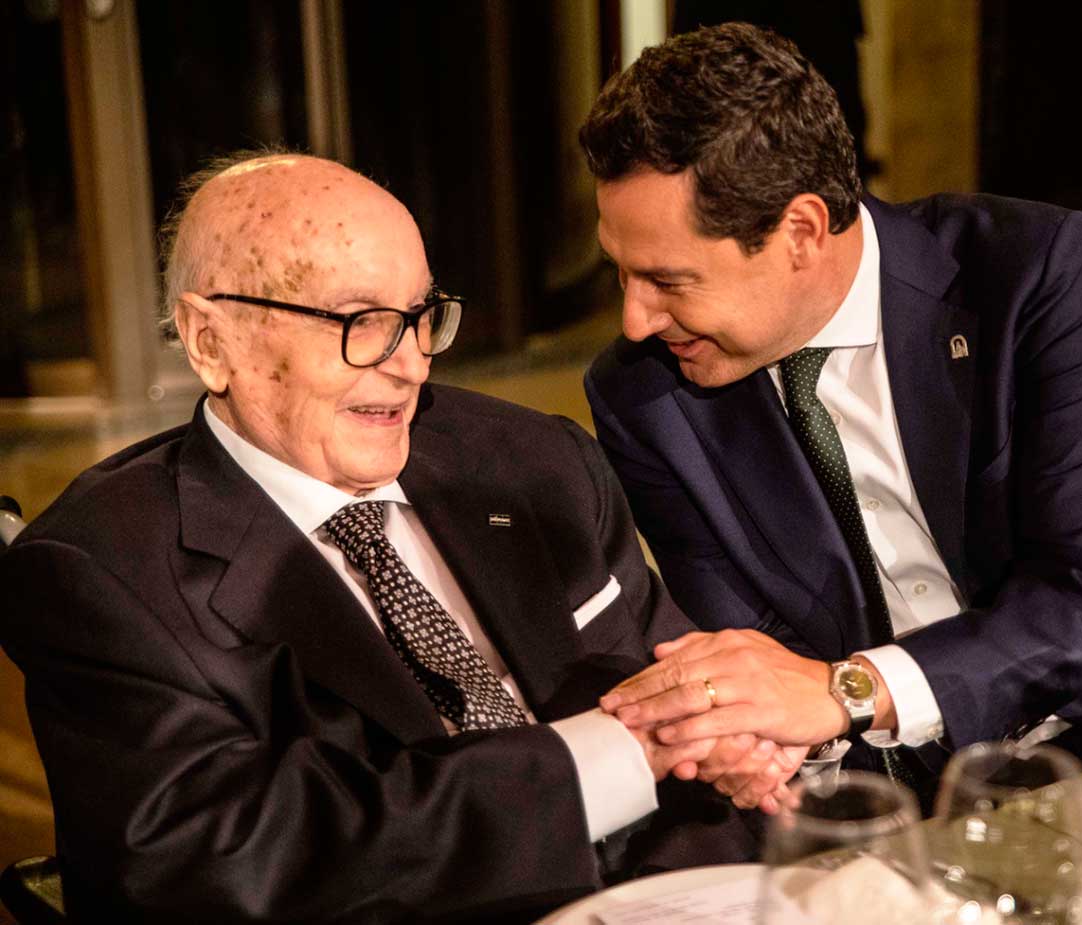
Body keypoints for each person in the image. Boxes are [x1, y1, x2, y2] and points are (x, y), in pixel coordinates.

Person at [0, 153, 794, 923]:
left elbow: (680, 710)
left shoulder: (533, 460)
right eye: (360, 321)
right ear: (212, 341)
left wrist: (736, 739)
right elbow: (235, 862)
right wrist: (613, 756)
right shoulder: (101, 572)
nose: (411, 364)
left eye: (419, 316)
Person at [579, 23, 1082, 786]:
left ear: (801, 231)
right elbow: (757, 655)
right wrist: (768, 738)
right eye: (621, 272)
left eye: (668, 281)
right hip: (897, 791)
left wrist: (848, 690)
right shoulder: (643, 395)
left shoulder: (1026, 273)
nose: (634, 320)